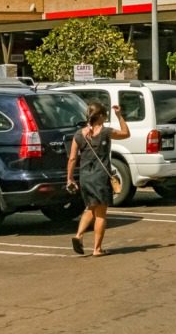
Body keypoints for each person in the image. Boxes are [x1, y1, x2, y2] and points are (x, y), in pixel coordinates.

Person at [66, 100, 130, 257]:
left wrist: (69, 179)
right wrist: (119, 116)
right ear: (100, 116)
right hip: (100, 177)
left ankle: (78, 235)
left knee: (90, 207)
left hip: (85, 177)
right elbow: (126, 133)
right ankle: (97, 249)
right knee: (100, 214)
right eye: (105, 116)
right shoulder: (106, 132)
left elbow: (73, 158)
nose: (106, 119)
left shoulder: (79, 134)